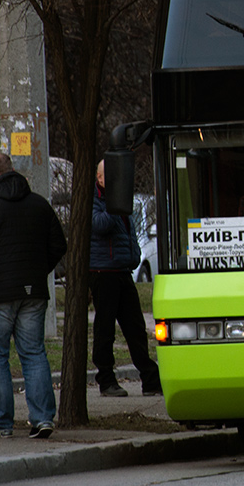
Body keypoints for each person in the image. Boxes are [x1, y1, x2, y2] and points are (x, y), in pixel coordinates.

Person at [0, 152, 67, 439]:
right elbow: (59, 244)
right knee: (33, 354)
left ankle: (1, 421)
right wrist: (38, 269)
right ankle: (42, 418)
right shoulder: (39, 204)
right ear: (13, 171)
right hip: (33, 291)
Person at [91, 159, 161, 397]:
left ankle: (150, 379)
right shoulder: (96, 201)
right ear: (99, 178)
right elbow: (99, 225)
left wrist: (135, 255)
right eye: (109, 177)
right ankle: (106, 379)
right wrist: (114, 202)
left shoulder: (118, 200)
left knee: (136, 328)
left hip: (122, 270)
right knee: (105, 329)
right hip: (103, 273)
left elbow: (129, 232)